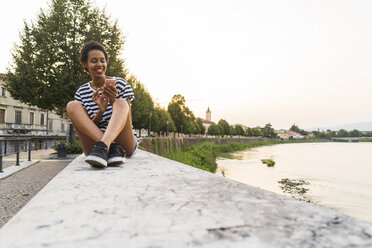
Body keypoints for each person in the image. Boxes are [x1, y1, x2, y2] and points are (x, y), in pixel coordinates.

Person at [66, 41, 138, 168]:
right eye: (94, 61)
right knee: (72, 105)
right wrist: (101, 111)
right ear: (85, 64)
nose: (99, 64)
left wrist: (113, 102)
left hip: (124, 143)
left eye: (102, 60)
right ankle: (109, 147)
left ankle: (106, 145)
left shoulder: (120, 84)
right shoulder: (81, 92)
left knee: (121, 103)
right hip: (95, 145)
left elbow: (128, 121)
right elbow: (87, 128)